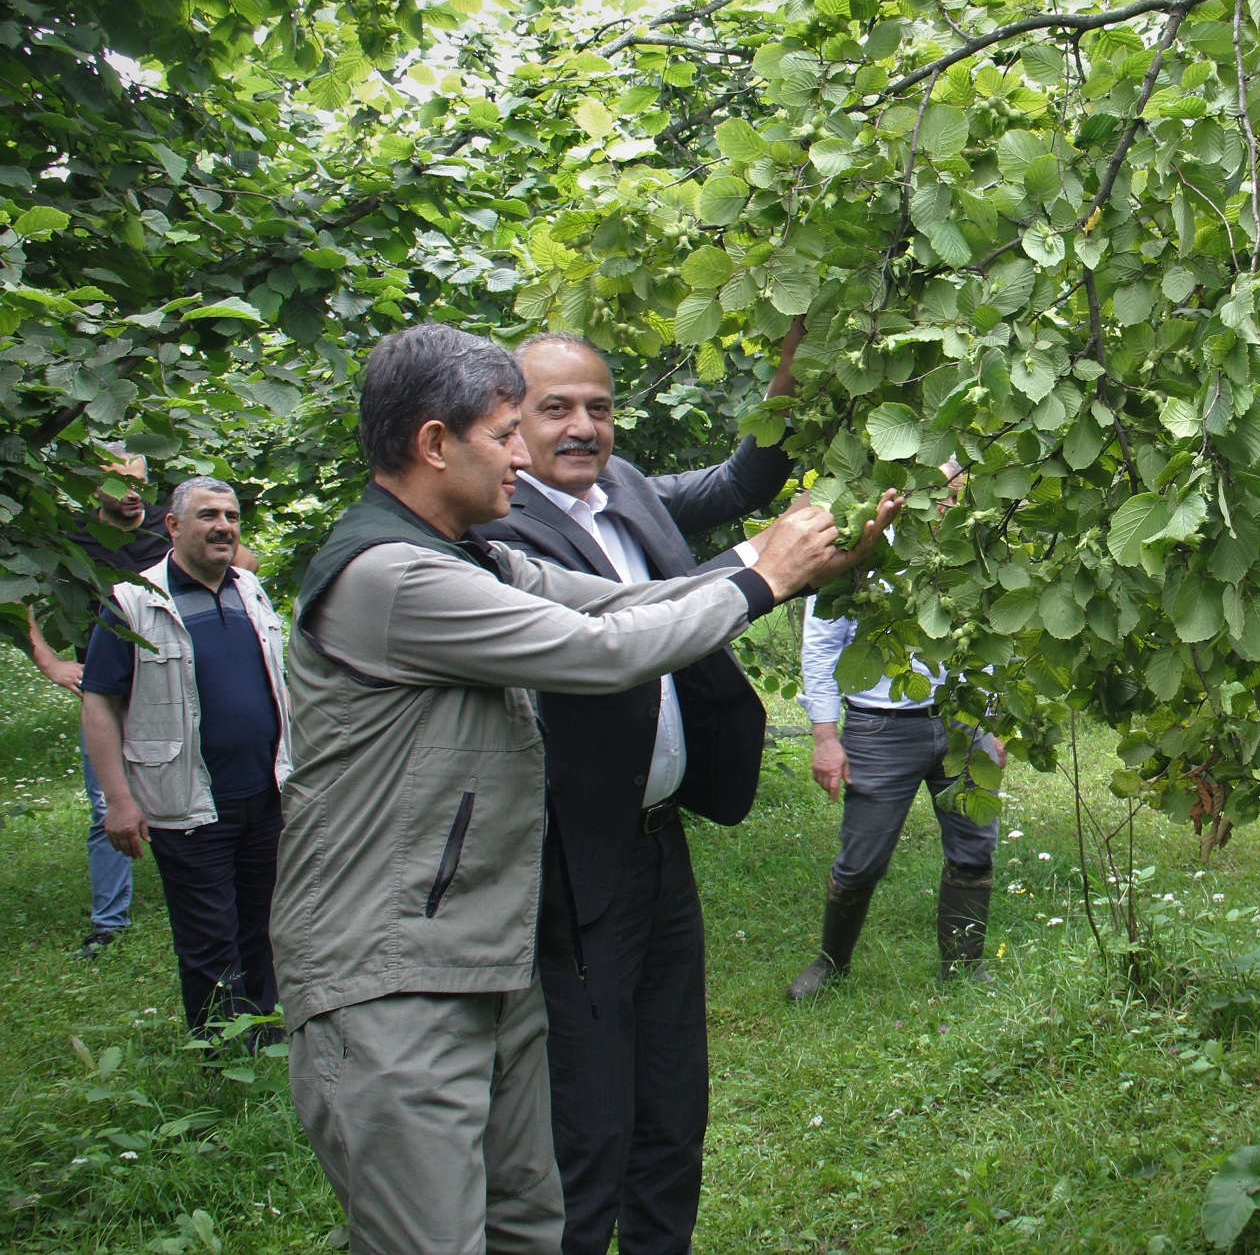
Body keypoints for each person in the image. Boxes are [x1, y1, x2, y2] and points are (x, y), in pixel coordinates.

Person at [271, 323, 897, 1255]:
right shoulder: (392, 577)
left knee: (529, 1221)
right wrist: (765, 579)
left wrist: (780, 559)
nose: (522, 454)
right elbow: (599, 652)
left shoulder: (471, 556)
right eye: (506, 432)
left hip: (481, 952)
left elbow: (619, 603)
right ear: (435, 444)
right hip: (391, 971)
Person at [471, 322, 805, 1255]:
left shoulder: (624, 490)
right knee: (586, 1120)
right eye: (556, 408)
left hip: (658, 843)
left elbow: (739, 484)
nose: (583, 427)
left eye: (600, 407)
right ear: (509, 423)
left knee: (672, 1096)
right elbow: (610, 643)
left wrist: (792, 374)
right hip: (568, 859)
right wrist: (764, 567)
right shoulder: (492, 529)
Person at [77, 477, 290, 1037]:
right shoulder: (132, 600)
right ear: (172, 526)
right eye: (208, 515)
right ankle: (221, 1054)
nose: (223, 527)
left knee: (263, 927)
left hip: (264, 793)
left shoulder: (251, 589)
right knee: (208, 939)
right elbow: (99, 702)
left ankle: (265, 1036)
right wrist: (117, 800)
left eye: (231, 516)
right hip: (187, 800)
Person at [788, 462, 1005, 1001]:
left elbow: (988, 638)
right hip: (880, 729)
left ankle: (964, 967)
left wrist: (991, 723)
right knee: (861, 859)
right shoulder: (861, 553)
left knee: (974, 846)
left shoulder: (971, 554)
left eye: (957, 497)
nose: (948, 506)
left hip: (962, 724)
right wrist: (825, 737)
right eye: (940, 495)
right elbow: (821, 647)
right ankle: (831, 962)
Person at [22, 448, 164, 956]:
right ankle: (109, 922)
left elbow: (239, 561)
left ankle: (214, 895)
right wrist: (49, 663)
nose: (133, 492)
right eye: (121, 482)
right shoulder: (70, 539)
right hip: (107, 691)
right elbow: (16, 595)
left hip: (174, 684)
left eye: (140, 481)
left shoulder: (170, 525)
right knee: (109, 802)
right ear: (93, 487)